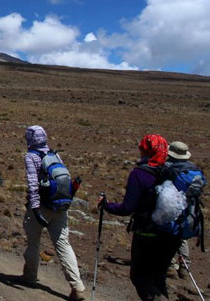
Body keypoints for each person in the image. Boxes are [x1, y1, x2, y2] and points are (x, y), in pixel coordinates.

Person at [100, 134, 182, 301]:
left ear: (145, 151)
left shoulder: (139, 174)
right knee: (158, 279)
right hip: (170, 235)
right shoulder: (170, 172)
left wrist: (107, 205)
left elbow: (127, 208)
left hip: (146, 233)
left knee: (140, 277)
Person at [20, 126, 86, 301]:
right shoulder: (55, 154)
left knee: (34, 242)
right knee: (63, 245)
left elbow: (33, 184)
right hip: (60, 206)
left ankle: (30, 277)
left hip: (41, 207)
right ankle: (77, 286)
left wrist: (35, 208)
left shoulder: (31, 157)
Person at [164, 141, 203, 279]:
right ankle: (185, 266)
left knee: (168, 233)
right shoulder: (193, 170)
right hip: (188, 208)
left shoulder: (170, 168)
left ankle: (170, 265)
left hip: (172, 206)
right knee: (182, 236)